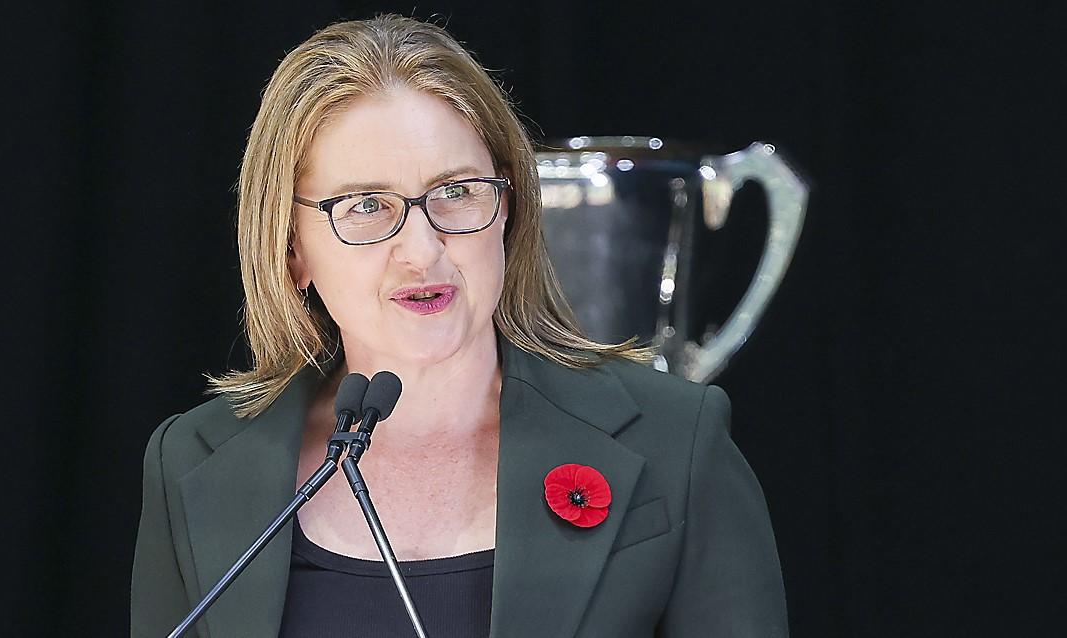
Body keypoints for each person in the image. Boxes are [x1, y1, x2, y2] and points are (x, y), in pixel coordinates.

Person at [131, 14, 787, 638]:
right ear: (291, 249)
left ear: (507, 208)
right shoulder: (195, 461)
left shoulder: (675, 443)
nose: (421, 249)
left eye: (456, 191)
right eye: (365, 205)